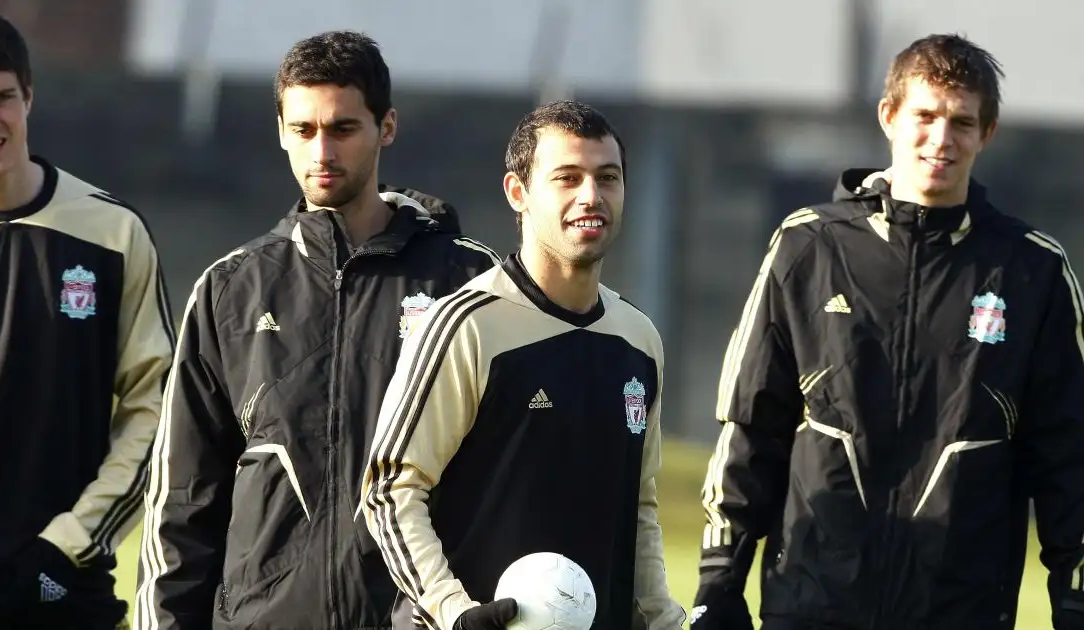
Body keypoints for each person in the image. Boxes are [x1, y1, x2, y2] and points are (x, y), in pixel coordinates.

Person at [690, 33, 1084, 630]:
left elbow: (1068, 457)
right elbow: (751, 429)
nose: (941, 139)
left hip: (961, 612)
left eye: (962, 122)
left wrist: (1074, 598)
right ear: (889, 117)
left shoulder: (1034, 271)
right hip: (812, 605)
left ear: (987, 134)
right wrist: (718, 586)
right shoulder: (808, 249)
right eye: (924, 116)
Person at [133, 30, 500, 630]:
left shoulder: (470, 281)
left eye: (343, 129)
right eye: (303, 131)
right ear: (281, 131)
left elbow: (505, 475)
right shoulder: (230, 290)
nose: (322, 151)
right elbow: (182, 504)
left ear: (387, 128)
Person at [0, 7, 175, 629]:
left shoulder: (112, 233)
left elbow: (155, 411)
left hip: (57, 587)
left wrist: (72, 544)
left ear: (29, 96)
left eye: (2, 98)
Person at [361, 100, 687, 630]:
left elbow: (639, 510)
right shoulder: (464, 325)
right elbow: (390, 491)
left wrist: (664, 618)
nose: (591, 196)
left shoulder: (638, 339)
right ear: (519, 193)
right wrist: (454, 611)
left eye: (608, 177)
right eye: (567, 178)